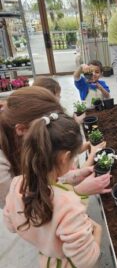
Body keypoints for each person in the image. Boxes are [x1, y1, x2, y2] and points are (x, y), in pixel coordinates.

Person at [3, 113, 101, 267]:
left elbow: (10, 225)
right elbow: (86, 261)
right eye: (74, 157)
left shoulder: (17, 183)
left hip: (45, 258)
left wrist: (77, 175)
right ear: (65, 158)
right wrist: (97, 232)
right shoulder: (69, 206)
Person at [0, 87, 111, 209]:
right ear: (21, 129)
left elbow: (45, 178)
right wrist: (78, 192)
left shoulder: (29, 142)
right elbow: (22, 210)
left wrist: (76, 176)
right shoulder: (2, 166)